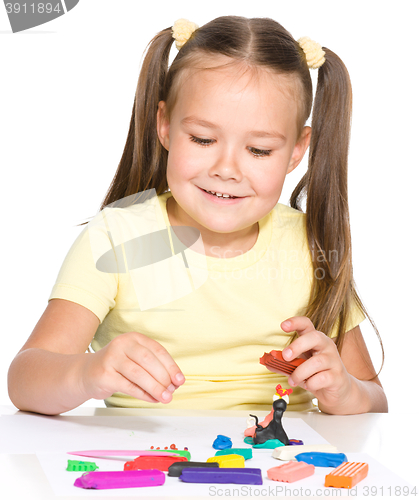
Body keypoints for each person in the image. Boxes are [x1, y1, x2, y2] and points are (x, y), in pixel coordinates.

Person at [8, 16, 388, 416]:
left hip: (278, 466)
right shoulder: (116, 239)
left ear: (297, 149)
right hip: (150, 464)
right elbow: (25, 380)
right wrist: (85, 373)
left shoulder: (309, 246)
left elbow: (374, 400)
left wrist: (344, 391)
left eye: (258, 150)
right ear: (166, 126)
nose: (226, 168)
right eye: (203, 139)